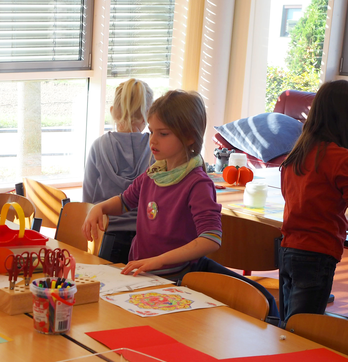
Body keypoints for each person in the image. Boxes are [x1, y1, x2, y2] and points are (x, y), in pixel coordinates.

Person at [82, 90, 280, 318]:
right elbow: (125, 201)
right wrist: (101, 207)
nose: (152, 140)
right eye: (151, 132)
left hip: (180, 283)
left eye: (163, 134)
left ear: (189, 137)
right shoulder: (153, 174)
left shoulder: (197, 184)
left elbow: (210, 239)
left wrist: (157, 261)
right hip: (146, 277)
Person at [279, 79, 348, 323]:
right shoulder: (339, 158)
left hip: (288, 248)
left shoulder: (297, 154)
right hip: (318, 252)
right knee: (306, 328)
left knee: (289, 324)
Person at [82, 78, 154, 264]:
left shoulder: (98, 146)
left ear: (113, 111)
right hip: (147, 240)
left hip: (107, 237)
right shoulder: (156, 148)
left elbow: (87, 201)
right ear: (149, 114)